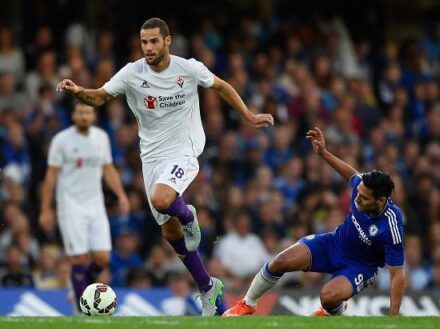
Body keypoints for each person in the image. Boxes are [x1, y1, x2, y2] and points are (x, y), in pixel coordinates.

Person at [56, 17, 274, 316]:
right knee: (171, 236)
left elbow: (221, 86)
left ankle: (188, 214)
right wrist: (77, 90)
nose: (148, 47)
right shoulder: (132, 73)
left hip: (185, 149)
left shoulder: (189, 68)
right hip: (152, 159)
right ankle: (208, 286)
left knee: (162, 199)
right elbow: (98, 97)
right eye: (144, 42)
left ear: (167, 41)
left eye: (154, 41)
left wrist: (248, 116)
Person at [223, 126, 406, 316]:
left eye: (364, 198)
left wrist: (392, 318)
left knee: (327, 297)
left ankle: (333, 311)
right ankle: (247, 304)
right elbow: (351, 174)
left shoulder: (391, 224)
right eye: (358, 193)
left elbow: (397, 274)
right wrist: (324, 153)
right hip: (333, 243)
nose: (357, 199)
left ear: (381, 200)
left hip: (359, 265)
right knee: (280, 261)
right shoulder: (362, 187)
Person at [39, 102, 130, 310]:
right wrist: (45, 209)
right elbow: (50, 176)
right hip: (70, 206)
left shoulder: (101, 138)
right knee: (78, 257)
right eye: (80, 112)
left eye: (88, 112)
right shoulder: (61, 140)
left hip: (95, 205)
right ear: (73, 115)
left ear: (94, 116)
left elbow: (108, 169)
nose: (84, 116)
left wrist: (121, 195)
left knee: (102, 256)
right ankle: (82, 308)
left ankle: (80, 289)